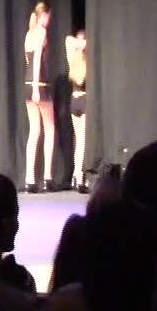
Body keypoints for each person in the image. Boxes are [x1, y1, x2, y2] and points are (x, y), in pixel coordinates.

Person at [22, 0, 57, 192]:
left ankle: (29, 179)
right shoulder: (41, 31)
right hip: (39, 84)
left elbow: (27, 60)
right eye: (48, 16)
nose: (49, 20)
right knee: (49, 128)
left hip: (27, 84)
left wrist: (31, 85)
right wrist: (36, 86)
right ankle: (47, 177)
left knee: (34, 130)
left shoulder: (28, 34)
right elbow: (36, 60)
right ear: (44, 15)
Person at [65, 29, 89, 192]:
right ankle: (80, 177)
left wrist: (78, 45)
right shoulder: (86, 61)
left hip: (74, 101)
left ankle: (75, 174)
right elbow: (69, 40)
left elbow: (68, 41)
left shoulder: (72, 60)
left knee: (79, 140)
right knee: (83, 141)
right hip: (84, 101)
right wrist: (84, 45)